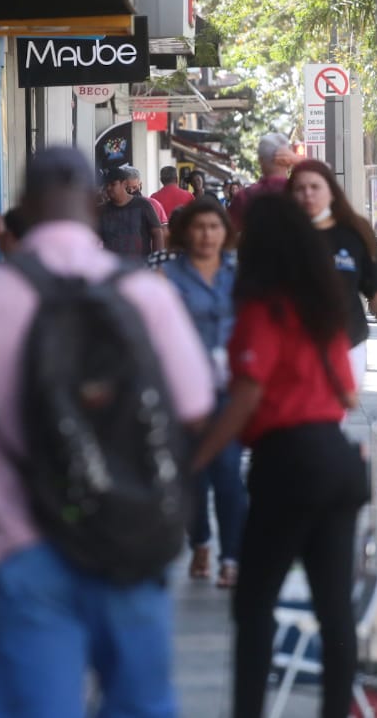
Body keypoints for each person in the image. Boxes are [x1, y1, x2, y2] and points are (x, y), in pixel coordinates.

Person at [0, 148, 215, 718]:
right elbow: (197, 408)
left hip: (26, 544)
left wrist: (9, 438)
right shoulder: (145, 295)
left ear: (25, 205)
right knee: (142, 705)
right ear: (90, 203)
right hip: (131, 532)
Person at [192, 194, 365, 718]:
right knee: (335, 608)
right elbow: (349, 395)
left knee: (254, 602)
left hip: (288, 462)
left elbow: (245, 397)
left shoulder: (264, 309)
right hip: (337, 460)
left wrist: (195, 460)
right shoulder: (323, 310)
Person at [160, 199, 247, 589]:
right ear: (185, 233)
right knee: (193, 476)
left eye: (214, 227)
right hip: (185, 390)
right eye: (199, 227)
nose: (206, 235)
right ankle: (200, 542)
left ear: (224, 232)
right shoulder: (168, 276)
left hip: (230, 390)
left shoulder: (238, 275)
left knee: (228, 473)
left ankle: (232, 557)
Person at [288, 159, 377, 390]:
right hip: (295, 347)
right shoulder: (280, 237)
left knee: (334, 415)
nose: (308, 194)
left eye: (315, 187)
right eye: (300, 189)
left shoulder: (354, 234)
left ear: (331, 192)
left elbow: (376, 292)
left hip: (349, 345)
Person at [228, 133, 297, 235]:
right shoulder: (301, 193)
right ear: (288, 160)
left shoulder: (244, 197)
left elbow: (227, 233)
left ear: (260, 160)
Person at [98, 165, 164, 259]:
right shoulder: (102, 210)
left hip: (140, 266)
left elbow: (157, 232)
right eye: (106, 185)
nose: (109, 188)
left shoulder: (143, 205)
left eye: (113, 184)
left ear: (124, 184)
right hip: (112, 268)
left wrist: (157, 262)